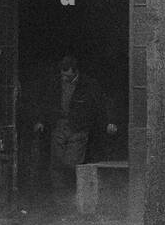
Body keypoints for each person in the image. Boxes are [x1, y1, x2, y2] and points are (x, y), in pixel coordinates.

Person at [34, 54, 117, 199]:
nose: (63, 76)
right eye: (62, 73)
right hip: (59, 125)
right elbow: (47, 103)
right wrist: (41, 121)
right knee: (57, 163)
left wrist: (109, 121)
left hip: (78, 128)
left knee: (71, 163)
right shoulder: (55, 83)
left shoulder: (88, 85)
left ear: (74, 71)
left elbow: (102, 104)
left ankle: (72, 196)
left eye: (66, 73)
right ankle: (59, 199)